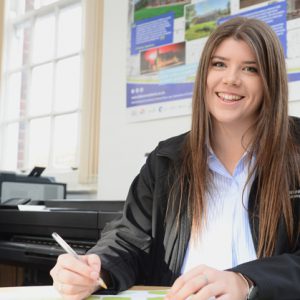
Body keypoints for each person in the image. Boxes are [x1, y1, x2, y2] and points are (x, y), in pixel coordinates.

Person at [50, 17, 300, 300]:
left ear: (271, 81)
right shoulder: (166, 160)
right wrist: (96, 269)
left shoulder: (296, 151)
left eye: (250, 68)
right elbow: (129, 240)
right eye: (219, 64)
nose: (231, 78)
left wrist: (246, 281)